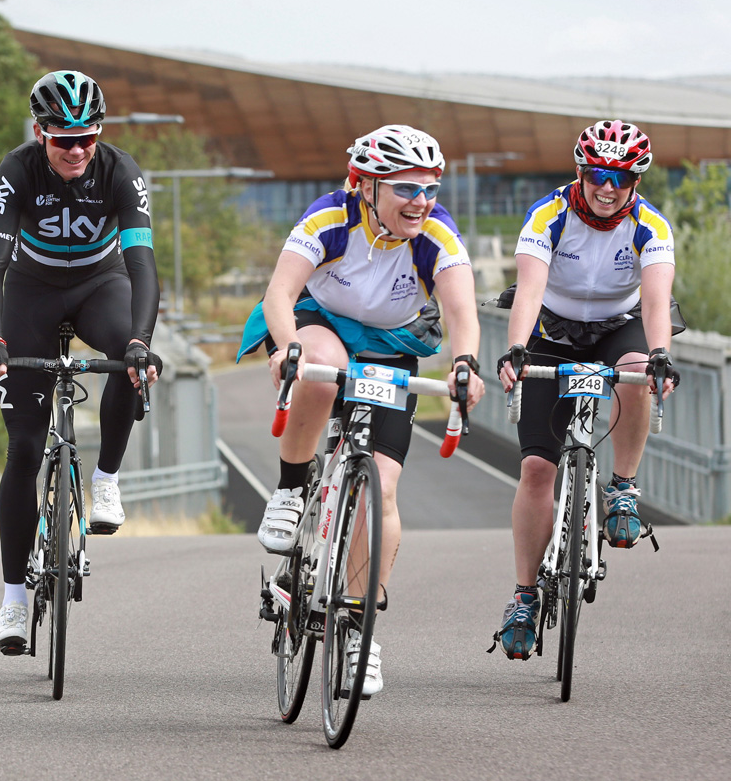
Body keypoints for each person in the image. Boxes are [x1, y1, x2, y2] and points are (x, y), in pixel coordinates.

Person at [239, 124, 485, 695]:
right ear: (367, 187)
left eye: (429, 188)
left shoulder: (437, 235)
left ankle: (357, 630)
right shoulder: (331, 217)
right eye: (406, 189)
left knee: (384, 489)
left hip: (389, 348)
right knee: (322, 369)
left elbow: (461, 313)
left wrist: (464, 364)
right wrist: (288, 348)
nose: (420, 201)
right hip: (318, 323)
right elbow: (279, 294)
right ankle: (291, 489)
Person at [0, 70, 161, 655]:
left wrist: (141, 340)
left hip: (101, 286)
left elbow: (142, 265)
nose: (76, 150)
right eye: (63, 140)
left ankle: (106, 480)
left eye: (86, 138)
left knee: (127, 358)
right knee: (24, 448)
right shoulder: (18, 169)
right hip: (32, 293)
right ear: (41, 134)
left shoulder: (122, 172)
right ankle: (13, 601)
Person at [492, 119, 681, 660]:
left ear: (636, 182)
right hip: (552, 330)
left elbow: (655, 302)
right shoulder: (548, 215)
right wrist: (517, 347)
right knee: (537, 469)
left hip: (618, 327)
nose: (607, 187)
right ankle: (525, 597)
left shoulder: (651, 226)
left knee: (639, 366)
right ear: (580, 172)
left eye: (621, 178)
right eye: (598, 174)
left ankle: (622, 487)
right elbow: (529, 290)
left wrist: (660, 355)